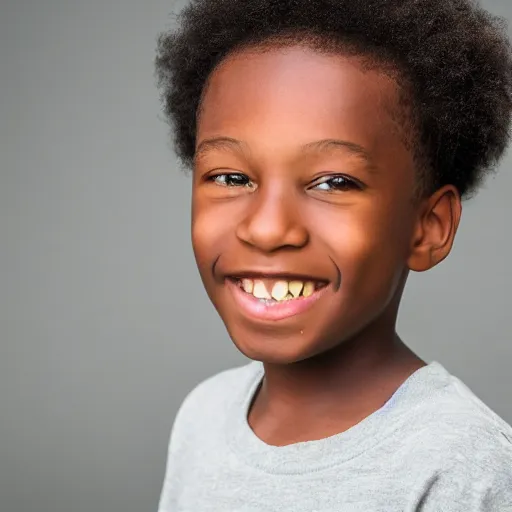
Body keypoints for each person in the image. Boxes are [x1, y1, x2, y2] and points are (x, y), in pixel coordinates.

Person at [154, 0, 512, 510]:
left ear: (427, 227)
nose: (267, 228)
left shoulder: (458, 467)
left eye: (333, 182)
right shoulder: (203, 416)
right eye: (232, 177)